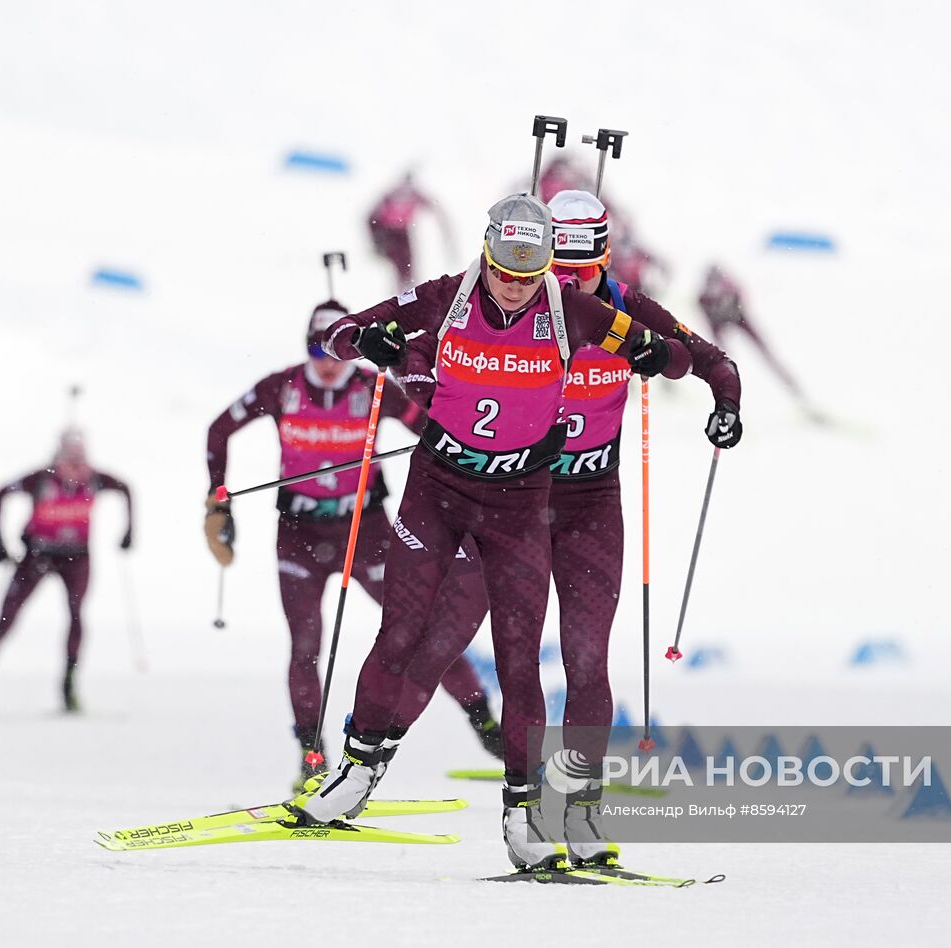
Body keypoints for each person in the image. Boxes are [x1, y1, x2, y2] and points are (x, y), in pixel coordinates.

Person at [295, 192, 692, 870]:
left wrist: (657, 354)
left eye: (526, 272)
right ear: (485, 256)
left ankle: (524, 814)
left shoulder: (574, 311)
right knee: (401, 631)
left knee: (517, 661)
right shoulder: (445, 296)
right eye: (502, 270)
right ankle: (356, 772)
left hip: (519, 503)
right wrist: (369, 340)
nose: (512, 286)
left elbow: (672, 356)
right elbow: (337, 335)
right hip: (438, 491)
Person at [381, 189, 742, 867]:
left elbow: (712, 361)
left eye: (578, 270)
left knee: (584, 662)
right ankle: (356, 768)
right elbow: (430, 360)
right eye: (555, 267)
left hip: (585, 505)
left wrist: (726, 407)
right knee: (435, 639)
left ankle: (579, 812)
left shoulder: (624, 312)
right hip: (505, 496)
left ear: (603, 258)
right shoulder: (518, 302)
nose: (562, 283)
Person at [203, 300, 502, 786]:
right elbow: (219, 430)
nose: (326, 362)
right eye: (316, 349)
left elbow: (431, 427)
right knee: (305, 645)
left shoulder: (374, 385)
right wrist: (218, 499)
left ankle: (486, 723)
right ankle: (311, 756)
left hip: (366, 532)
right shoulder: (282, 386)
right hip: (299, 533)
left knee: (418, 632)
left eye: (335, 350)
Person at [0, 429, 132, 714]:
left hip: (77, 557)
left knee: (76, 617)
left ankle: (68, 690)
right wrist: (0, 542)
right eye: (70, 454)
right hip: (37, 556)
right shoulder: (41, 478)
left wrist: (128, 532)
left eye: (79, 454)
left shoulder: (95, 479)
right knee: (4, 622)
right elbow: (2, 491)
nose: (74, 462)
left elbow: (126, 488)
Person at [698, 263, 823, 420]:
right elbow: (711, 326)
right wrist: (722, 347)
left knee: (767, 355)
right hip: (723, 321)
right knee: (722, 363)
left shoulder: (730, 288)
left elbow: (742, 301)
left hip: (739, 318)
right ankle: (726, 404)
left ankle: (798, 394)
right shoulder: (703, 298)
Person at [366, 172, 452, 291]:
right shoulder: (391, 195)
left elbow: (434, 207)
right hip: (388, 233)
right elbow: (371, 218)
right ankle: (403, 292)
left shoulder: (413, 194)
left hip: (401, 232)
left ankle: (408, 290)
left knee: (407, 264)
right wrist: (377, 241)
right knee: (401, 264)